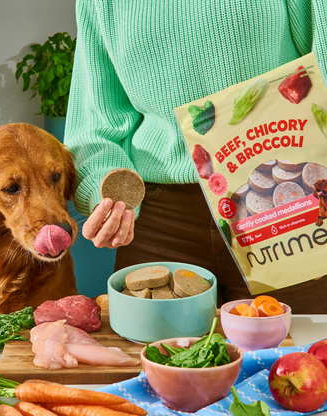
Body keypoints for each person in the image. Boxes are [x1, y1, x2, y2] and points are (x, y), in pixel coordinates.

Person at [64, 0, 327, 313]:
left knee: (300, 354)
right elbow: (95, 124)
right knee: (154, 360)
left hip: (286, 204)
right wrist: (109, 200)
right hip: (161, 220)